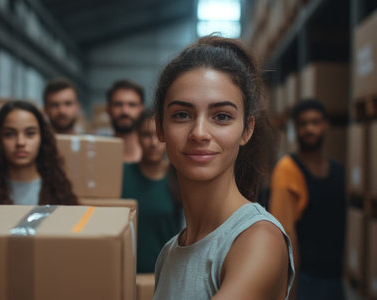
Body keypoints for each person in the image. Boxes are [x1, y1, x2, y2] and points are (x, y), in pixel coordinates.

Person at [152, 36, 294, 300]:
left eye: (222, 117)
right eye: (182, 114)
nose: (199, 133)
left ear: (246, 129)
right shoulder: (169, 253)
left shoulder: (258, 239)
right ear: (160, 128)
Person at [269, 100, 346, 300]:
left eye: (315, 122)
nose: (309, 129)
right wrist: (290, 290)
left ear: (326, 124)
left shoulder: (338, 172)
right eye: (303, 124)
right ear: (295, 128)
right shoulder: (288, 169)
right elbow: (285, 235)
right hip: (305, 281)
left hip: (335, 278)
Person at [0, 100, 78, 205]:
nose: (20, 142)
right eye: (9, 134)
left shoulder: (60, 193)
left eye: (30, 133)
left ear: (42, 137)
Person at [121, 108, 183, 273]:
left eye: (158, 135)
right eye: (146, 135)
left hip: (166, 272)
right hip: (125, 271)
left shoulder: (179, 177)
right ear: (137, 137)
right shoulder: (121, 174)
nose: (153, 143)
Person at [106, 79, 145, 162]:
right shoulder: (99, 155)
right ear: (108, 109)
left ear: (141, 109)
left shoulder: (153, 155)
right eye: (118, 104)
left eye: (132, 105)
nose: (125, 111)